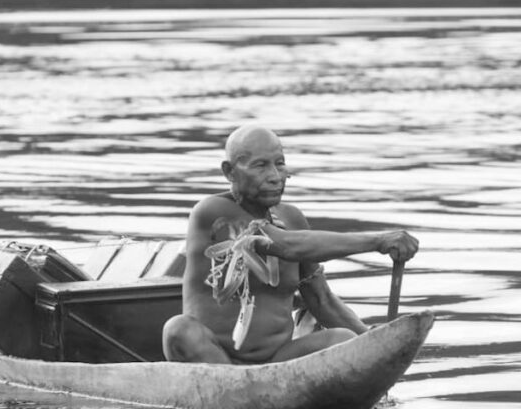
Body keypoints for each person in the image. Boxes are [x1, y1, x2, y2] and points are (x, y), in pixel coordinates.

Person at [162, 124, 418, 364]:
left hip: (277, 364)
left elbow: (321, 299)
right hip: (213, 360)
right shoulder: (212, 212)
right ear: (230, 171)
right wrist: (378, 241)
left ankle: (262, 394)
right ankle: (236, 397)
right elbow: (286, 246)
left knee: (343, 339)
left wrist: (376, 341)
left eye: (280, 164)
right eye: (260, 166)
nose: (275, 176)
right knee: (178, 329)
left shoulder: (292, 218)